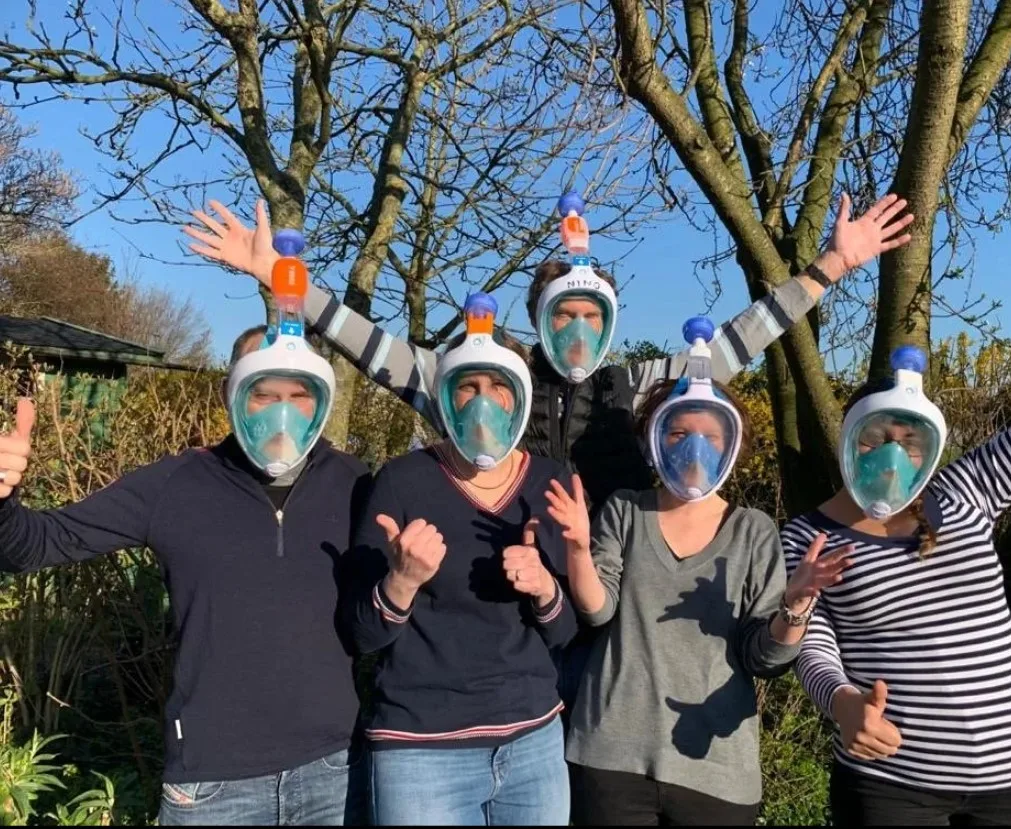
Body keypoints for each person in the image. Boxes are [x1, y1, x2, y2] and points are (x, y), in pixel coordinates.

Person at [184, 190, 914, 709]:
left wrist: (832, 268)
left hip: (610, 615)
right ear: (537, 314)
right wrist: (286, 283)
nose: (575, 328)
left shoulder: (645, 387)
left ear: (611, 319)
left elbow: (740, 339)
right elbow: (380, 353)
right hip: (506, 619)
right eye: (561, 311)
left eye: (589, 313)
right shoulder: (490, 381)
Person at [0, 324, 369, 826]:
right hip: (214, 784)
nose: (283, 412)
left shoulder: (354, 483)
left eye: (299, 394)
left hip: (335, 770)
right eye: (263, 393)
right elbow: (34, 545)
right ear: (231, 392)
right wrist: (2, 498)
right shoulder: (174, 486)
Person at [780, 337, 1011, 826]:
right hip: (891, 784)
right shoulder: (806, 537)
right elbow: (813, 646)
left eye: (909, 441)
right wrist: (843, 703)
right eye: (875, 438)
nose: (892, 456)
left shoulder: (966, 491)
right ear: (848, 438)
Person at [543, 318, 854, 826]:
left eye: (712, 436)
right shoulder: (625, 509)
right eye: (680, 432)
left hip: (716, 766)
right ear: (654, 437)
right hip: (609, 757)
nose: (695, 448)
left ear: (732, 445)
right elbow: (598, 611)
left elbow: (764, 659)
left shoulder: (753, 531)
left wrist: (795, 607)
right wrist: (578, 548)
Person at [346, 293, 577, 825]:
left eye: (498, 388)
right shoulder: (401, 481)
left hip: (533, 744)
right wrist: (400, 583)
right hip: (420, 749)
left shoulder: (549, 482)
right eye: (467, 386)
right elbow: (361, 635)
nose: (483, 402)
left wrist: (544, 587)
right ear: (444, 395)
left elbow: (565, 633)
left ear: (520, 396)